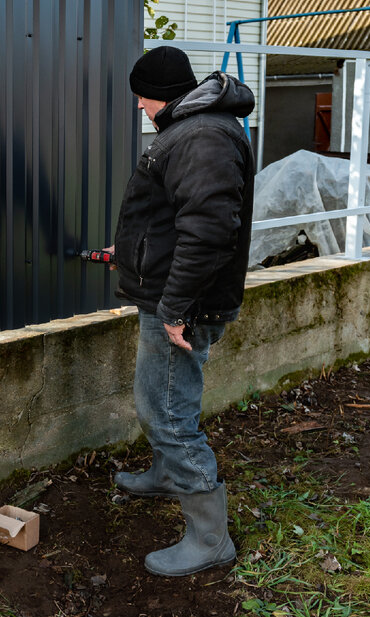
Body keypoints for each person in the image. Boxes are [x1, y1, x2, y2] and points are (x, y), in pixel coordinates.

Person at [109, 45, 255, 577]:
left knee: (166, 411)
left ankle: (210, 539)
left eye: (142, 100)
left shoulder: (200, 136)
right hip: (173, 293)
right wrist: (130, 257)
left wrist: (174, 308)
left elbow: (211, 230)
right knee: (162, 402)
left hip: (184, 304)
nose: (143, 110)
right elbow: (174, 221)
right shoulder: (199, 128)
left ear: (159, 96)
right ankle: (169, 475)